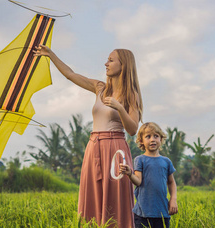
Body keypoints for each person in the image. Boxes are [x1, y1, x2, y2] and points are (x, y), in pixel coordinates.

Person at [34, 45, 143, 227]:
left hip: (115, 148)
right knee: (91, 194)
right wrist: (50, 54)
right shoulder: (100, 88)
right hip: (94, 147)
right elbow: (70, 74)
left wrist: (120, 108)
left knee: (115, 196)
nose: (106, 63)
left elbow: (132, 130)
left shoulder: (132, 94)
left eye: (110, 60)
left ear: (123, 65)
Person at [120, 122, 178, 228]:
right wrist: (129, 174)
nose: (152, 139)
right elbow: (138, 181)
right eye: (148, 136)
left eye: (156, 136)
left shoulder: (166, 161)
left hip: (162, 212)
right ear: (141, 141)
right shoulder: (140, 159)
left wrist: (173, 199)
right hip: (143, 213)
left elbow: (171, 182)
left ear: (161, 139)